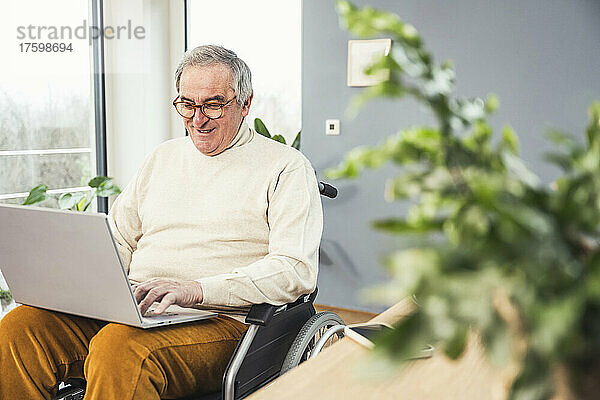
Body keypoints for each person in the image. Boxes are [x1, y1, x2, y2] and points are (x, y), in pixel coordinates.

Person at [0, 45, 323, 400]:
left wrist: (196, 289)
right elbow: (120, 238)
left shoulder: (286, 167)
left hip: (226, 323)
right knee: (19, 328)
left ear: (245, 103)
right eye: (187, 104)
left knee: (121, 350)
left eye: (213, 105)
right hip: (140, 309)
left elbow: (294, 270)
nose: (198, 119)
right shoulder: (162, 157)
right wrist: (86, 289)